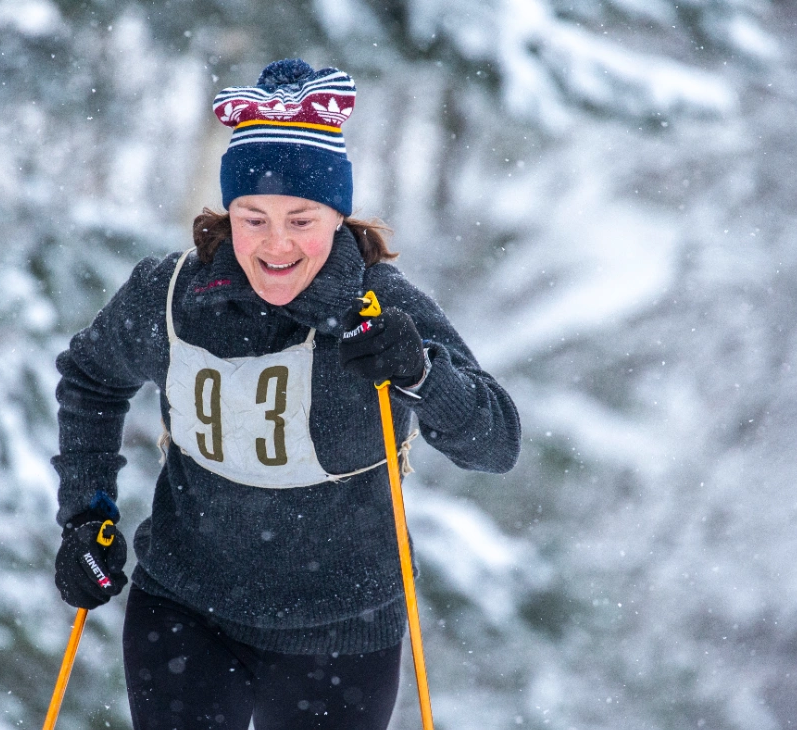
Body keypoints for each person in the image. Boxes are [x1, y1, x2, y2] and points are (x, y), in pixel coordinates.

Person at [52, 58, 520, 730]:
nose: (275, 244)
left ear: (337, 217)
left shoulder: (381, 308)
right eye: (253, 218)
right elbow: (92, 378)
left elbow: (497, 442)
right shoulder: (173, 296)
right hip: (185, 609)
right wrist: (85, 514)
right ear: (227, 214)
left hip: (342, 633)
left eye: (301, 219)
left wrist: (420, 371)